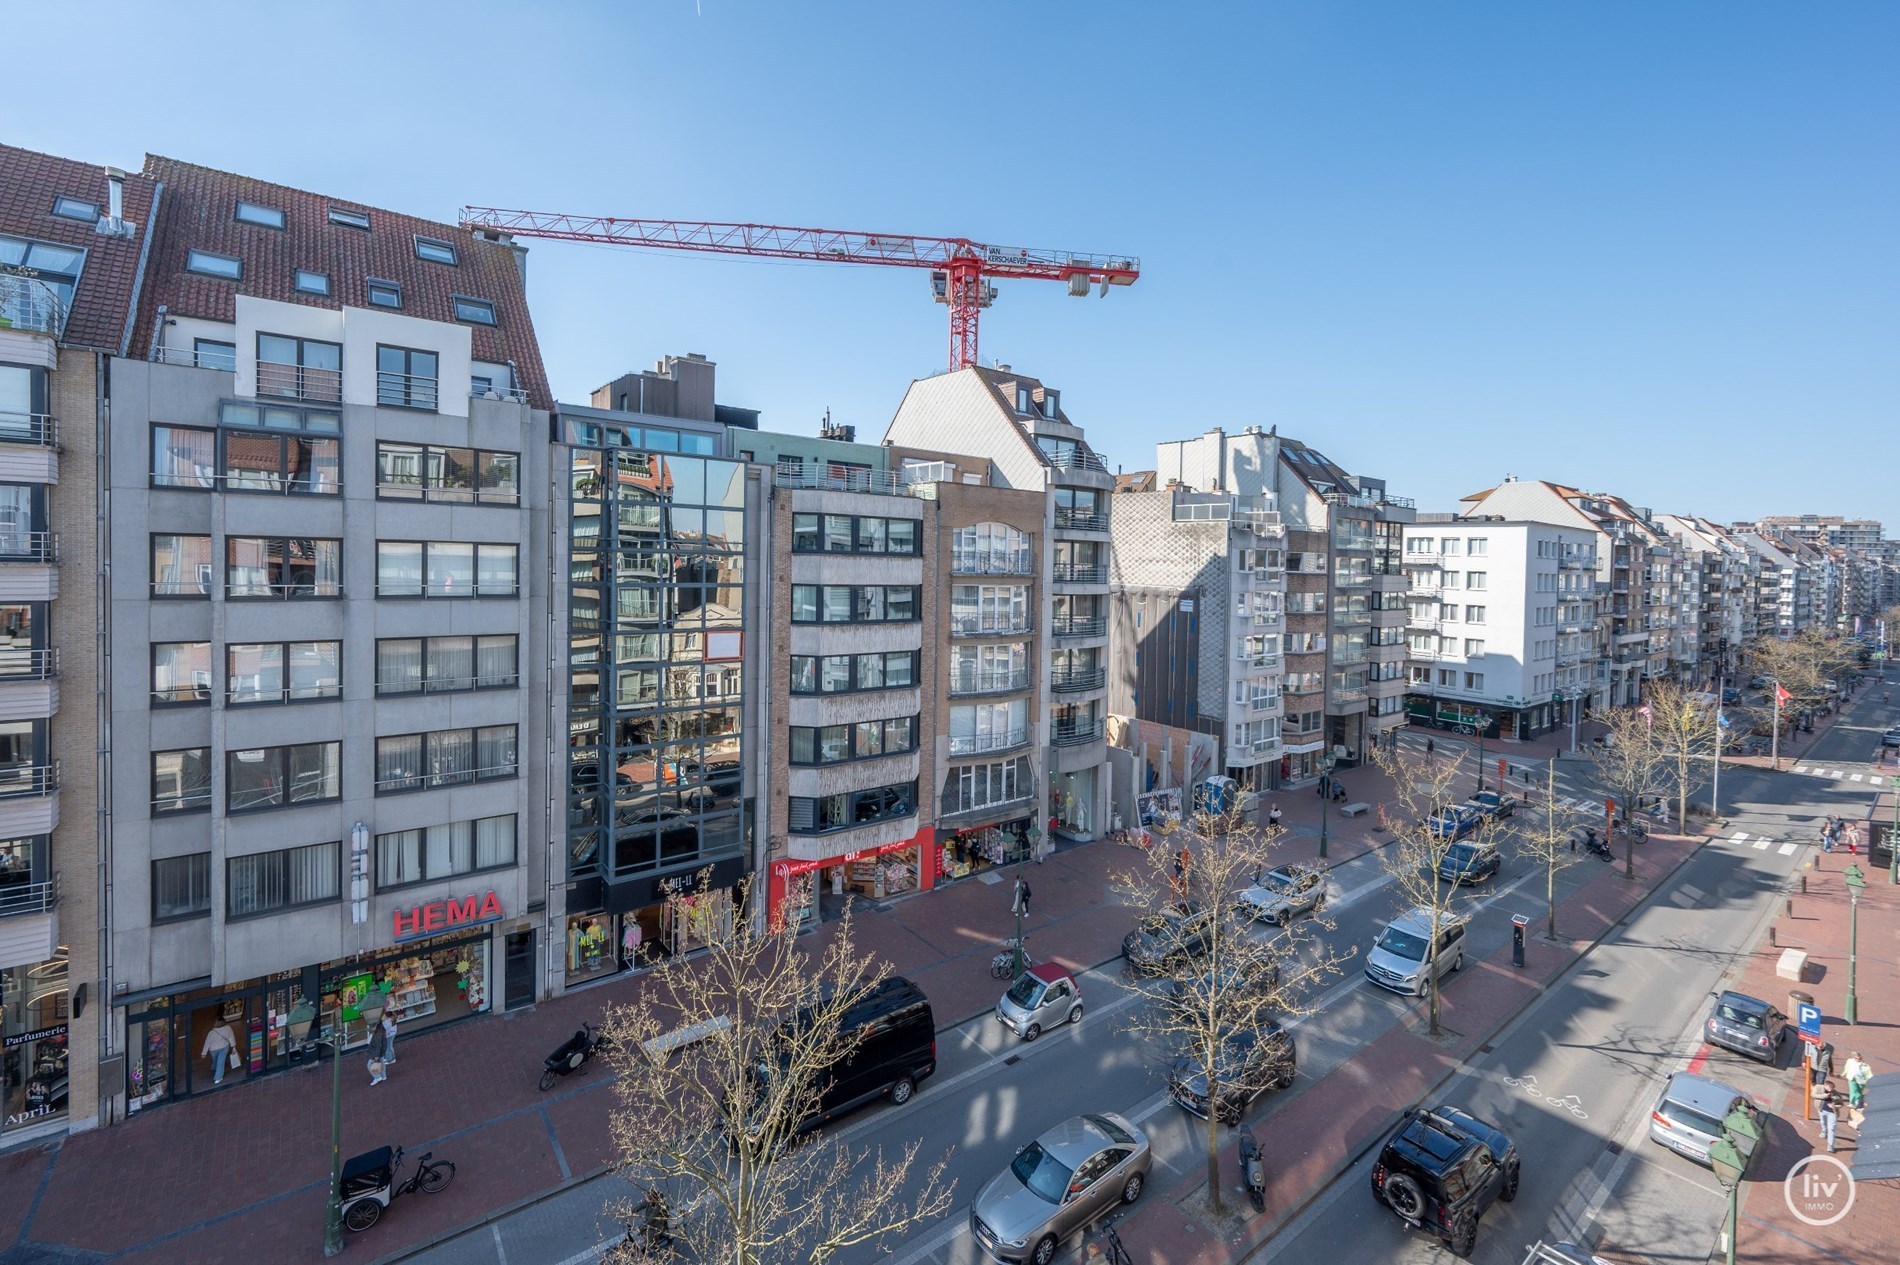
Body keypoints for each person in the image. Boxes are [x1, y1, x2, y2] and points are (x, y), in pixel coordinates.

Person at [201, 1020, 238, 1086]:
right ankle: (218, 1077)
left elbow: (207, 1043)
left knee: (216, 1060)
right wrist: (233, 1046)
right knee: (220, 1061)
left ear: (215, 1025)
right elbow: (231, 1037)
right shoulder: (228, 1028)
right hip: (224, 1047)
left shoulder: (211, 1033)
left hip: (213, 1050)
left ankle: (215, 1068)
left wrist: (204, 1053)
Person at [367, 1018, 389, 1086]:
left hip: (376, 1053)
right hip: (382, 1051)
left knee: (369, 1065)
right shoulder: (382, 1030)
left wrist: (376, 1055)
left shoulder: (377, 1034)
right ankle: (383, 1076)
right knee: (382, 1062)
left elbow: (378, 1045)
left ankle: (377, 1077)